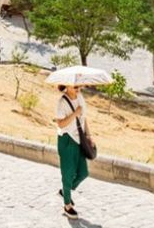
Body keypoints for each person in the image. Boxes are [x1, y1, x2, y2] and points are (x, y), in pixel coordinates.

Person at [54, 84, 90, 218]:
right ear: (66, 86)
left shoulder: (80, 97)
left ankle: (65, 190)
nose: (78, 88)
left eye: (79, 86)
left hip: (79, 139)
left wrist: (89, 135)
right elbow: (60, 124)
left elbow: (84, 118)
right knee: (68, 173)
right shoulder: (61, 102)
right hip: (67, 140)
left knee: (83, 173)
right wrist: (75, 113)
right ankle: (67, 205)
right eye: (74, 86)